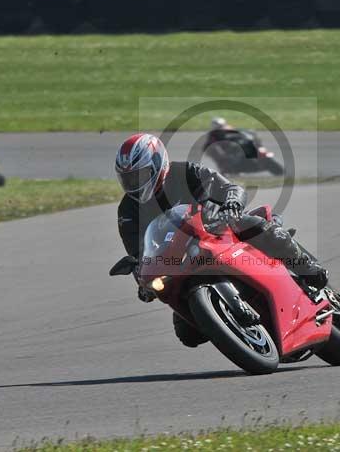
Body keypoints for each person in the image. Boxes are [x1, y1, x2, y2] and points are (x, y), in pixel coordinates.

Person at [114, 133, 328, 344]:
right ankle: (229, 325)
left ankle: (306, 266)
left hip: (219, 230)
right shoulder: (128, 211)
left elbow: (228, 187)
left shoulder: (185, 172)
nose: (134, 183)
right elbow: (139, 254)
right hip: (179, 261)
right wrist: (141, 278)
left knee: (255, 225)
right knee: (187, 335)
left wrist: (231, 202)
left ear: (158, 164)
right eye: (128, 178)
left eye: (140, 175)